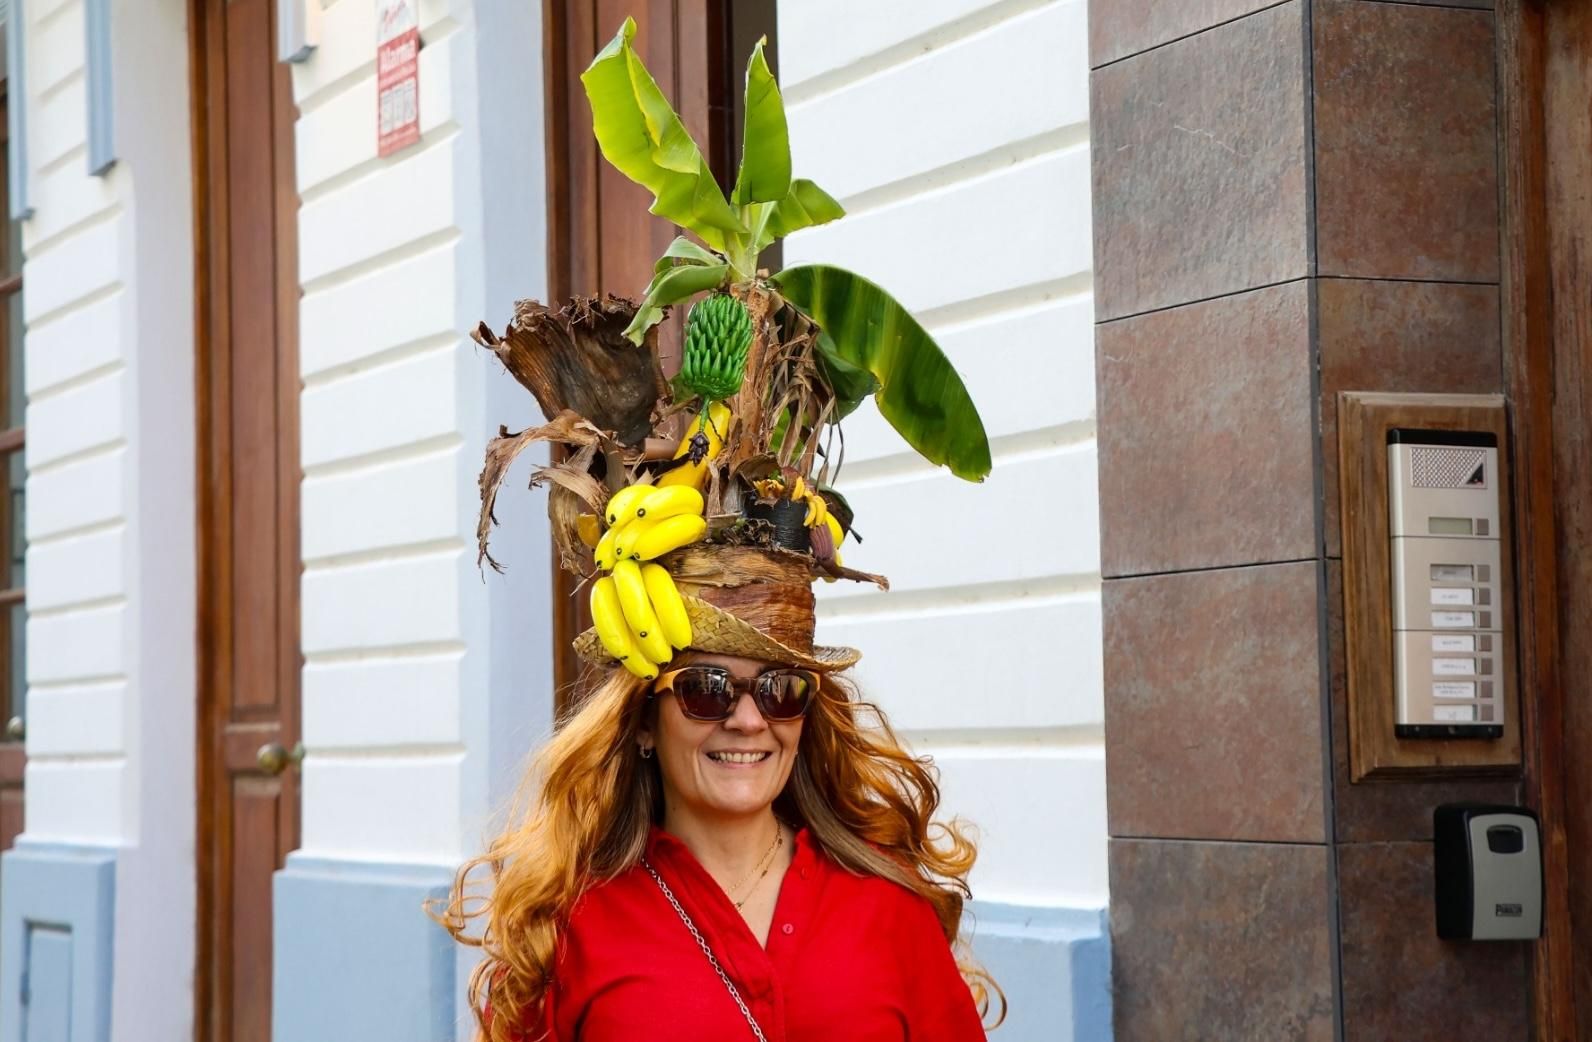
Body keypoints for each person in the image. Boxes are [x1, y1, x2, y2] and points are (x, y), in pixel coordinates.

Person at [434, 580, 1001, 1041]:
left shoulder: (888, 902)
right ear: (645, 722)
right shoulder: (568, 922)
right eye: (706, 690)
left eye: (781, 690)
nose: (749, 721)